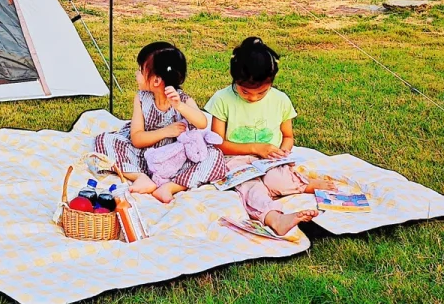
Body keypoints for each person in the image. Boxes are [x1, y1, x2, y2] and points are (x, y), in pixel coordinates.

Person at [206, 36, 331, 236]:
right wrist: (255, 148)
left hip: (269, 159)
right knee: (251, 188)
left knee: (278, 180)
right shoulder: (222, 99)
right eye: (245, 92)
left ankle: (304, 185)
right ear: (235, 79)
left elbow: (288, 136)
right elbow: (217, 143)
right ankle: (275, 218)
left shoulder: (280, 100)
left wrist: (283, 151)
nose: (253, 98)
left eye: (261, 93)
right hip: (236, 159)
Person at [91, 41, 206, 184]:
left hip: (174, 156)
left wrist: (180, 106)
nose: (136, 74)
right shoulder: (141, 99)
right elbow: (137, 139)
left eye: (140, 70)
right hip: (144, 154)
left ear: (156, 80)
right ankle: (140, 177)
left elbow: (202, 122)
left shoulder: (181, 99)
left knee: (208, 157)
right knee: (104, 141)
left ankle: (172, 186)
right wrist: (166, 132)